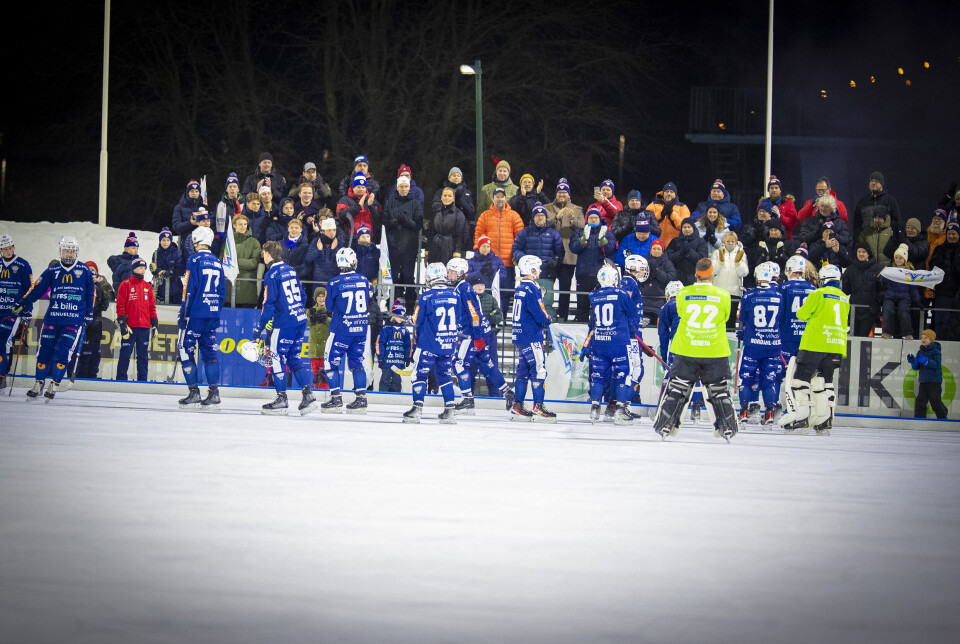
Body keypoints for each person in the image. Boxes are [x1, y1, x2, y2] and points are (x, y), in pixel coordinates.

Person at [652, 258, 738, 441]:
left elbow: (682, 313)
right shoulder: (723, 295)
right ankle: (727, 427)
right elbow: (725, 315)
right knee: (719, 391)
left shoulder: (683, 293)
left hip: (686, 349)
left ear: (695, 275)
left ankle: (666, 425)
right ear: (712, 275)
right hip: (715, 350)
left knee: (677, 389)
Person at [12, 237, 94, 401]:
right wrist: (24, 301)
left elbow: (90, 294)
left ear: (76, 251)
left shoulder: (84, 271)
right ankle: (38, 383)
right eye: (66, 250)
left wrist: (89, 314)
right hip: (53, 319)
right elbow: (36, 288)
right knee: (44, 352)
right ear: (61, 251)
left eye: (72, 250)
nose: (69, 253)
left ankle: (54, 383)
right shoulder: (52, 270)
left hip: (73, 321)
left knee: (62, 353)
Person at [779, 264, 850, 434]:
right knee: (826, 382)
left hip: (815, 343)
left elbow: (801, 314)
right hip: (836, 345)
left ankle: (802, 418)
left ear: (823, 279)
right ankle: (826, 421)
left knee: (801, 380)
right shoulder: (844, 298)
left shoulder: (818, 293)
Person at [254, 241, 316, 415]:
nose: (263, 257)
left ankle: (281, 398)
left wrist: (259, 328)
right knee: (294, 358)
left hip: (284, 323)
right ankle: (308, 395)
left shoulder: (272, 274)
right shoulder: (290, 270)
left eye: (263, 253)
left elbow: (269, 303)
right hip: (299, 319)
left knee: (276, 358)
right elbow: (303, 296)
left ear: (268, 254)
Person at [447, 258, 514, 413]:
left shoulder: (463, 289)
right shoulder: (462, 288)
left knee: (458, 364)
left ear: (461, 273)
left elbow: (474, 315)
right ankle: (508, 392)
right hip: (480, 332)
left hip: (472, 334)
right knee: (487, 364)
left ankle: (467, 400)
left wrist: (476, 337)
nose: (448, 274)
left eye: (452, 271)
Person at [403, 263, 461, 424]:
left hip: (428, 344)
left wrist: (409, 318)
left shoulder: (427, 296)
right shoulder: (455, 295)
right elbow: (459, 317)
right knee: (445, 376)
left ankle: (417, 409)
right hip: (448, 344)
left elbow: (417, 320)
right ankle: (450, 410)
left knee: (419, 375)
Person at [177, 226, 226, 410]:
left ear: (197, 240)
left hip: (195, 315)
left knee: (184, 349)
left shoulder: (194, 259)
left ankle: (194, 392)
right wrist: (215, 310)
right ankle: (214, 393)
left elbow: (188, 289)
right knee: (210, 354)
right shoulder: (217, 261)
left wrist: (184, 312)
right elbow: (222, 292)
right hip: (212, 314)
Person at [585, 264, 641, 425]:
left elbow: (593, 322)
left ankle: (595, 408)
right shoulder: (622, 294)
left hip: (600, 342)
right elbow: (632, 313)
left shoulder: (593, 295)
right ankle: (620, 411)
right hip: (619, 342)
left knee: (598, 375)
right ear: (614, 278)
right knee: (624, 374)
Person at [321, 248, 371, 413]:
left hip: (341, 329)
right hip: (360, 328)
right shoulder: (364, 280)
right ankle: (361, 398)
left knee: (330, 362)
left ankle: (335, 399)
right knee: (357, 363)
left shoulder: (334, 282)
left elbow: (328, 307)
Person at [736, 262, 785, 426]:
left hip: (753, 344)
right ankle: (769, 413)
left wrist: (743, 332)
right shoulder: (779, 295)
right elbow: (781, 318)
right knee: (769, 380)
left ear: (756, 277)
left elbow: (742, 318)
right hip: (773, 343)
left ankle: (743, 411)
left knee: (746, 378)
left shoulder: (749, 296)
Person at [510, 255, 556, 422]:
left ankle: (518, 405)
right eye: (537, 268)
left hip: (520, 335)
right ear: (530, 269)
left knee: (523, 371)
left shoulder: (520, 287)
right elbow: (539, 313)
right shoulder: (532, 288)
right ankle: (538, 406)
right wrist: (548, 319)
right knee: (539, 370)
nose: (540, 271)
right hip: (531, 335)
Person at [511, 204, 564, 318]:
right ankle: (529, 330)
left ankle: (547, 330)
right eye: (537, 215)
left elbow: (560, 252)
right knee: (529, 303)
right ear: (533, 218)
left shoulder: (553, 234)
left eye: (542, 216)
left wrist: (555, 261)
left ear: (546, 217)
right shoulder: (524, 233)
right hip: (528, 277)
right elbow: (515, 249)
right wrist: (525, 259)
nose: (540, 218)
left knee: (547, 304)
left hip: (546, 275)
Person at [544, 179, 585, 321]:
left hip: (568, 256)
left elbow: (582, 228)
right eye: (559, 192)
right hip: (550, 254)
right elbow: (542, 224)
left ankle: (562, 317)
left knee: (565, 289)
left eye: (564, 192)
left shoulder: (577, 209)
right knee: (547, 289)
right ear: (555, 194)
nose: (562, 195)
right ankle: (547, 316)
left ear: (569, 195)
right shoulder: (547, 207)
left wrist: (572, 219)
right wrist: (556, 217)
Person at [383, 175, 424, 312]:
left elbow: (418, 224)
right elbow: (385, 221)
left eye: (406, 186)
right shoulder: (390, 201)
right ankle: (395, 303)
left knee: (408, 275)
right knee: (395, 275)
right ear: (397, 187)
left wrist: (406, 220)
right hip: (393, 244)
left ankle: (411, 305)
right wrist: (396, 222)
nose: (404, 189)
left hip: (409, 246)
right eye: (401, 186)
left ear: (409, 187)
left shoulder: (415, 202)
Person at [569, 207, 617, 322]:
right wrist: (583, 241)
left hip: (601, 276)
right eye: (591, 217)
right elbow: (573, 248)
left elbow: (611, 250)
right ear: (587, 219)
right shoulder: (579, 232)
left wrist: (603, 242)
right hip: (583, 273)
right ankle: (581, 330)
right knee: (582, 305)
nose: (593, 220)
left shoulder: (608, 233)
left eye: (596, 217)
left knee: (599, 305)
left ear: (600, 219)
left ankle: (598, 330)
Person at [115, 257, 159, 382]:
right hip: (130, 327)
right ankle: (121, 380)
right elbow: (120, 305)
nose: (143, 270)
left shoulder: (147, 286)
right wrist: (123, 324)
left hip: (144, 327)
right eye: (140, 267)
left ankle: (142, 380)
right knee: (125, 354)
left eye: (144, 268)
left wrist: (154, 322)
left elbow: (151, 306)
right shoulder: (125, 284)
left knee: (143, 356)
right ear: (134, 268)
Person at [0, 234, 34, 389]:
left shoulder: (22, 264)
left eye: (10, 248)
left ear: (14, 247)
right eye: (5, 249)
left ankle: (2, 376)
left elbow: (29, 290)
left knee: (5, 343)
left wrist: (28, 311)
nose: (8, 251)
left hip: (13, 312)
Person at [74, 261, 113, 380]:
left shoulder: (100, 287)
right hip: (83, 323)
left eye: (94, 272)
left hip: (96, 325)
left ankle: (92, 376)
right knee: (83, 353)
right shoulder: (80, 286)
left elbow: (106, 303)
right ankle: (80, 375)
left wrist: (102, 285)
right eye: (89, 271)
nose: (92, 275)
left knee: (95, 353)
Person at [474, 186, 524, 279]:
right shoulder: (484, 215)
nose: (500, 199)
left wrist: (517, 255)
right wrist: (478, 254)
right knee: (490, 292)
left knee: (507, 292)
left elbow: (520, 238)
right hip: (489, 262)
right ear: (492, 199)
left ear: (505, 199)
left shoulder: (514, 215)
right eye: (497, 197)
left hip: (508, 264)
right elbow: (478, 236)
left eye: (502, 197)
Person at [779, 255, 816, 373]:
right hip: (806, 338)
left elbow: (779, 314)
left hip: (787, 337)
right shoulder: (813, 289)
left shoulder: (783, 288)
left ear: (790, 269)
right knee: (802, 377)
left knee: (780, 375)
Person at [928, 221, 960, 341]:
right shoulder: (940, 249)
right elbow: (933, 265)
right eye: (949, 234)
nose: (951, 236)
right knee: (941, 322)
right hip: (943, 293)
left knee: (956, 323)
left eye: (954, 234)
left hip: (957, 294)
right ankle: (941, 344)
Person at [880, 244, 920, 339]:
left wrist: (916, 300)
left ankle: (907, 333)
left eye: (901, 258)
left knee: (903, 311)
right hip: (890, 296)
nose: (898, 260)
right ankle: (887, 332)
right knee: (887, 310)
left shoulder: (909, 271)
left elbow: (913, 287)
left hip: (904, 297)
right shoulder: (889, 269)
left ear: (905, 259)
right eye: (896, 257)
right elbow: (883, 284)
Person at [842, 244, 883, 337]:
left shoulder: (878, 269)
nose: (861, 254)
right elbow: (846, 291)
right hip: (854, 310)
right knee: (853, 337)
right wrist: (845, 281)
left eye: (864, 252)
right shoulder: (850, 269)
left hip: (870, 311)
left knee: (863, 338)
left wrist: (877, 303)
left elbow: (882, 289)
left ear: (869, 254)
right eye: (859, 252)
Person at [223, 214, 262, 308]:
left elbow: (253, 263)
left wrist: (234, 262)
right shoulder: (227, 242)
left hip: (247, 289)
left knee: (246, 320)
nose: (243, 227)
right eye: (240, 224)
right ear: (234, 225)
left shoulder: (254, 242)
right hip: (228, 287)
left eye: (245, 224)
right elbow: (223, 261)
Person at [907, 329, 948, 419]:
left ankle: (943, 417)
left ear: (931, 339)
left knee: (935, 401)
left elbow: (937, 365)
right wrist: (914, 362)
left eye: (926, 337)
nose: (923, 339)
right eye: (922, 337)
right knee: (920, 401)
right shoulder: (920, 351)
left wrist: (926, 361)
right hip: (923, 381)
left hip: (934, 381)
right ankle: (919, 418)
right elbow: (917, 367)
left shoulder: (936, 350)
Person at [711, 232, 749, 326]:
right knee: (718, 317)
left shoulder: (741, 253)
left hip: (734, 292)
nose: (730, 243)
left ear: (736, 242)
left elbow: (744, 273)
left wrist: (738, 263)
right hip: (719, 292)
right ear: (724, 241)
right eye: (728, 241)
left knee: (731, 319)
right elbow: (713, 272)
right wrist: (720, 262)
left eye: (732, 241)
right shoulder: (717, 253)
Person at [425, 185, 467, 268]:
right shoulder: (436, 213)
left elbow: (460, 234)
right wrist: (427, 251)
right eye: (445, 195)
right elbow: (431, 233)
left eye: (449, 196)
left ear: (453, 198)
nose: (447, 198)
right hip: (435, 247)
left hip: (449, 248)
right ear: (441, 198)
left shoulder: (459, 214)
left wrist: (457, 252)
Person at [852, 171, 902, 241]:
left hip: (886, 243)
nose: (873, 183)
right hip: (866, 243)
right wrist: (857, 242)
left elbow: (897, 222)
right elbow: (857, 225)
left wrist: (895, 241)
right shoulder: (862, 201)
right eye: (871, 181)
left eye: (876, 181)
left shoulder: (890, 200)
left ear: (881, 184)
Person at [639, 239, 678, 324]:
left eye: (658, 249)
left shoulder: (667, 263)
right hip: (645, 302)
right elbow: (639, 279)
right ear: (650, 250)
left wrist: (657, 271)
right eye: (654, 248)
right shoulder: (643, 263)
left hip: (660, 302)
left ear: (662, 251)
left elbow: (670, 278)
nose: (656, 251)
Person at [337, 173, 382, 245]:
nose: (361, 189)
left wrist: (371, 206)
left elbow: (378, 220)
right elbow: (341, 215)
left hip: (369, 240)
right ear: (353, 188)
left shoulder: (371, 200)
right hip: (351, 240)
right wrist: (357, 207)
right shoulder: (345, 200)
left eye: (363, 187)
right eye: (358, 187)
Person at [376, 302, 412, 393]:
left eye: (403, 316)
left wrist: (407, 357)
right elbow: (380, 343)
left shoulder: (405, 331)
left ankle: (396, 398)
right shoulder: (386, 329)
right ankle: (382, 397)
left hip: (398, 361)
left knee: (397, 380)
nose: (401, 318)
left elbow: (408, 345)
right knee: (385, 379)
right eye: (399, 316)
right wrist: (380, 356)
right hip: (387, 360)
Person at [666, 218, 710, 285]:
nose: (687, 229)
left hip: (694, 279)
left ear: (693, 228)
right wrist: (680, 253)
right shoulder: (675, 241)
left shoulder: (700, 241)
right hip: (677, 279)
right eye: (684, 227)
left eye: (689, 227)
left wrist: (689, 252)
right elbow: (669, 259)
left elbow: (702, 260)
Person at [646, 182, 689, 246]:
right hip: (655, 244)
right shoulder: (653, 205)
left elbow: (684, 226)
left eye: (671, 192)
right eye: (667, 191)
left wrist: (672, 214)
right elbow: (647, 222)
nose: (669, 193)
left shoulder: (683, 207)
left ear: (675, 194)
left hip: (675, 245)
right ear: (663, 193)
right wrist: (661, 214)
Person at [304, 218, 343, 287]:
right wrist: (318, 250)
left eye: (334, 230)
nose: (332, 233)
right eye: (329, 230)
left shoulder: (339, 242)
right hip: (319, 280)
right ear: (323, 231)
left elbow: (342, 261)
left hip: (335, 280)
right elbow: (308, 258)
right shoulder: (316, 241)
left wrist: (334, 250)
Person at [151, 228, 185, 305]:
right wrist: (156, 271)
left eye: (168, 240)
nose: (165, 242)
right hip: (160, 289)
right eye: (163, 240)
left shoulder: (177, 253)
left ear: (171, 241)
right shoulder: (156, 254)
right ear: (160, 241)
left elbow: (181, 268)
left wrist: (170, 272)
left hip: (176, 289)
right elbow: (155, 269)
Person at [171, 179, 205, 249]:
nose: (194, 193)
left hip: (202, 243)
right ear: (187, 192)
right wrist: (190, 223)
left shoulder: (204, 207)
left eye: (196, 191)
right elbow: (176, 227)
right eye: (192, 191)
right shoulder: (179, 207)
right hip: (185, 243)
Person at [307, 286, 330, 390]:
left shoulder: (330, 310)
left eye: (323, 296)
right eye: (319, 296)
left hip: (325, 349)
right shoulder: (311, 311)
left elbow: (335, 324)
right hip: (314, 349)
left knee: (325, 373)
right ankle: (317, 390)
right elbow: (305, 323)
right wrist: (312, 318)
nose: (321, 299)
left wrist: (326, 319)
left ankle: (326, 391)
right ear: (315, 298)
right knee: (316, 374)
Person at [215, 173, 244, 243]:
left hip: (240, 236)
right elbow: (214, 220)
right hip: (224, 236)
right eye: (230, 187)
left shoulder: (243, 203)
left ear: (238, 189)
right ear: (227, 189)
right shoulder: (221, 204)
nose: (232, 189)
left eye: (234, 186)